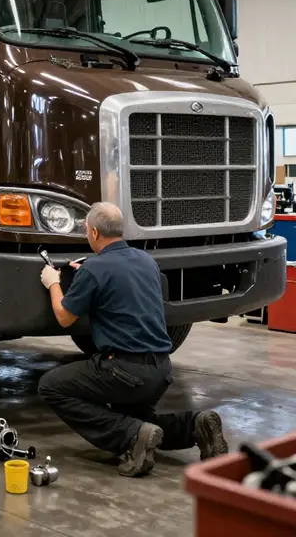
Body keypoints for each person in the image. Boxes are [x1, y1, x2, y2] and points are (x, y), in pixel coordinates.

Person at [37, 202, 229, 477]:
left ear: (93, 232)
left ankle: (130, 439)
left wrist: (53, 282)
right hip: (161, 369)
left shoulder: (94, 270)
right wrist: (89, 275)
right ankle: (196, 426)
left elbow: (64, 317)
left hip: (124, 371)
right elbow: (119, 283)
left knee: (50, 386)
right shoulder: (146, 261)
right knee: (138, 419)